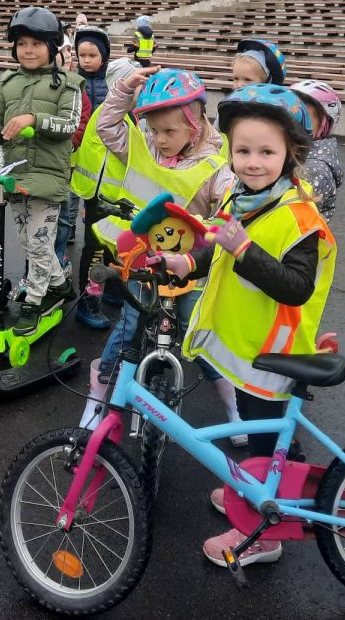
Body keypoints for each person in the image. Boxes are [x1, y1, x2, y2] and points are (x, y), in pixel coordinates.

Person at [162, 83, 335, 568]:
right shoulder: (241, 199)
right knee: (262, 432)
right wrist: (185, 264)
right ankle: (256, 485)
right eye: (243, 151)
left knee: (265, 436)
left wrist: (244, 249)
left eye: (266, 152)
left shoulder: (298, 217)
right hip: (248, 348)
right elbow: (215, 251)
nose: (253, 162)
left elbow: (295, 287)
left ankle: (264, 532)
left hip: (275, 352)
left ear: (290, 154)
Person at [82, 66, 242, 439]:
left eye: (169, 131)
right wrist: (123, 90)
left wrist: (218, 227)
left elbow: (230, 209)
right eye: (153, 130)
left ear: (195, 125)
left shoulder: (214, 168)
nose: (159, 139)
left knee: (198, 332)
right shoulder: (142, 147)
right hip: (142, 261)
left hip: (187, 268)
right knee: (127, 327)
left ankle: (234, 409)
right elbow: (106, 127)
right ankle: (96, 400)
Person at [0, 7, 81, 333]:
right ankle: (61, 285)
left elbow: (69, 125)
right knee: (29, 241)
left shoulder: (68, 84)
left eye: (36, 44)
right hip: (14, 174)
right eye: (21, 44)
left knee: (38, 242)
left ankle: (35, 301)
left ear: (52, 46)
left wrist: (34, 119)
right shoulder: (8, 82)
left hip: (47, 175)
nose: (28, 50)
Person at [70, 56, 140, 329]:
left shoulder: (127, 115)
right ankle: (87, 301)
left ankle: (111, 290)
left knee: (114, 245)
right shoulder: (110, 116)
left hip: (115, 196)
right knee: (95, 250)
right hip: (101, 196)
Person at [56, 24, 110, 273]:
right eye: (82, 55)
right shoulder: (73, 82)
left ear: (104, 57)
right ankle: (69, 229)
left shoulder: (110, 83)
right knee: (71, 194)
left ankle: (91, 229)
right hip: (75, 150)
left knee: (93, 196)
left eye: (92, 55)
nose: (86, 60)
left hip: (99, 153)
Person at [290, 80, 344, 220]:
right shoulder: (297, 151)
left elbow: (298, 216)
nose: (293, 125)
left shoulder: (314, 169)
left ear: (324, 124)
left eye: (304, 120)